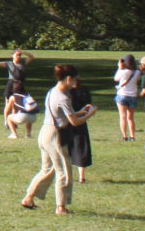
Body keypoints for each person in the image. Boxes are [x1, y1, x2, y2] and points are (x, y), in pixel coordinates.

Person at [21, 64, 95, 215]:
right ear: (68, 79)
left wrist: (81, 112)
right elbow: (74, 122)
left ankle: (28, 198)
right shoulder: (64, 97)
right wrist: (90, 114)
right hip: (55, 135)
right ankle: (61, 207)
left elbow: (66, 114)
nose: (76, 83)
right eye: (75, 80)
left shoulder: (52, 91)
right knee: (64, 172)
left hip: (45, 132)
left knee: (47, 169)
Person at [64, 78, 93, 184]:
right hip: (80, 122)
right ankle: (81, 177)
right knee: (80, 147)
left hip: (68, 122)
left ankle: (71, 176)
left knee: (70, 148)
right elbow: (88, 107)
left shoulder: (66, 92)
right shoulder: (84, 91)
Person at [114, 54, 142, 141]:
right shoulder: (137, 72)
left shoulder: (122, 71)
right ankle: (132, 136)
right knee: (130, 117)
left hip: (122, 94)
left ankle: (124, 136)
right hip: (132, 95)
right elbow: (137, 80)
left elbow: (116, 79)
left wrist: (119, 67)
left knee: (122, 116)